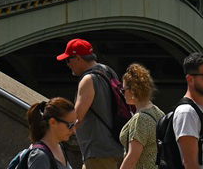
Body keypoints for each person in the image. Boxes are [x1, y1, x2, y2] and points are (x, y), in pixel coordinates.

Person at [58, 38, 124, 169]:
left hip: (98, 153)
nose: (68, 64)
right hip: (116, 147)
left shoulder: (88, 80)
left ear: (77, 58)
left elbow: (76, 117)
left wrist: (57, 133)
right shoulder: (108, 71)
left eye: (68, 60)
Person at [118, 63, 164, 169]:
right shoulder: (158, 112)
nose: (122, 93)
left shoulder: (140, 119)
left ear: (133, 90)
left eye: (123, 90)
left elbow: (132, 159)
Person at [18, 97, 77, 169]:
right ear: (53, 122)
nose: (74, 131)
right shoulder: (40, 156)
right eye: (70, 125)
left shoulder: (59, 147)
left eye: (75, 124)